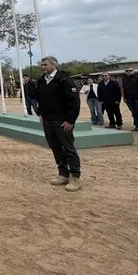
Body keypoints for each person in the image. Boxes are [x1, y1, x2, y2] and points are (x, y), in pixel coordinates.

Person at [36, 56, 82, 192]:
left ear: (54, 64)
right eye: (42, 65)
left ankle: (75, 177)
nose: (43, 67)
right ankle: (63, 173)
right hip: (47, 119)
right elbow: (40, 98)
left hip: (62, 121)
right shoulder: (41, 80)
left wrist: (70, 120)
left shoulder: (64, 79)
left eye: (45, 64)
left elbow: (74, 101)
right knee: (55, 147)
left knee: (68, 148)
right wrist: (40, 113)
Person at [121, 68, 138, 132]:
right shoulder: (123, 79)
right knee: (134, 113)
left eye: (130, 70)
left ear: (133, 71)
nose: (128, 72)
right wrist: (124, 98)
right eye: (127, 71)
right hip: (128, 98)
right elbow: (122, 88)